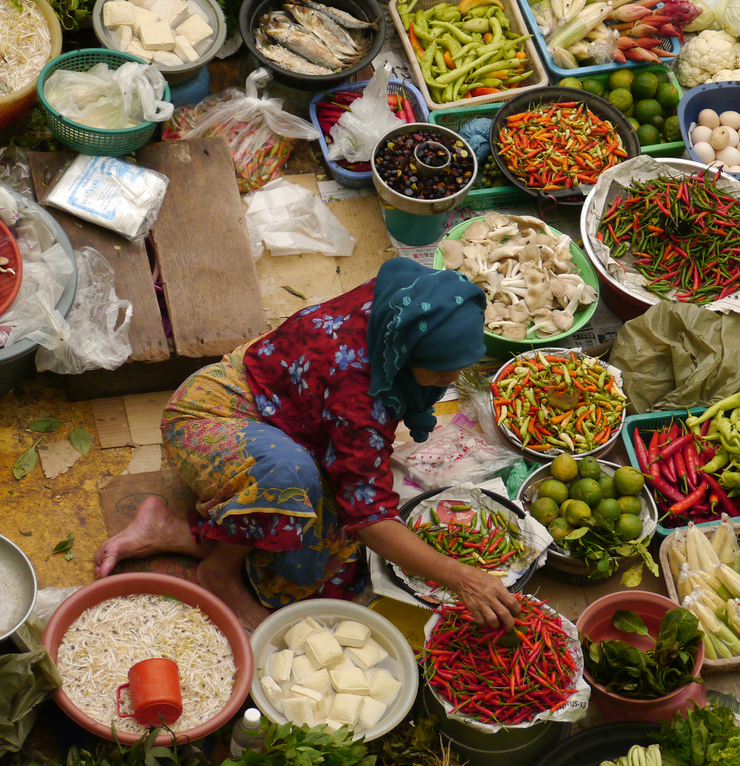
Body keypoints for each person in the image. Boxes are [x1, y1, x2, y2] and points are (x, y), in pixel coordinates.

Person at [94, 257, 523, 632]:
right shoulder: (359, 400)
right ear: (404, 357)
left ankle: (172, 530)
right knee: (298, 529)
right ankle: (217, 572)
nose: (451, 381)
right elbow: (370, 519)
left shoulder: (405, 302)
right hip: (211, 417)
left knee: (339, 561)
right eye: (441, 373)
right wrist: (460, 577)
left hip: (291, 411)